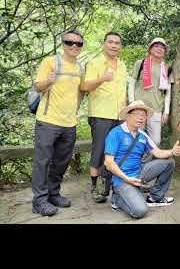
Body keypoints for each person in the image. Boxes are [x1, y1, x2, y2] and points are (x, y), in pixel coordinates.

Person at [31, 29, 85, 216]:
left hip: (70, 123)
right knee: (42, 162)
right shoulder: (51, 62)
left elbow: (80, 91)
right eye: (70, 42)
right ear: (63, 43)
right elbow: (38, 86)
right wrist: (48, 81)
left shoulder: (80, 67)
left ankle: (53, 194)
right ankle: (39, 200)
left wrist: (76, 110)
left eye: (78, 43)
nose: (74, 46)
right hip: (48, 121)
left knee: (61, 162)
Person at [105, 100, 180, 219]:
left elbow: (157, 152)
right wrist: (127, 179)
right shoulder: (116, 133)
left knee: (169, 162)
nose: (140, 118)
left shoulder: (143, 135)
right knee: (140, 211)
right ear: (128, 115)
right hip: (122, 179)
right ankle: (117, 199)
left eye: (143, 115)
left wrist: (172, 151)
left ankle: (155, 197)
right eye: (137, 114)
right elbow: (109, 163)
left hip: (139, 173)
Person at [82, 31, 128, 204]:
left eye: (117, 43)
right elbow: (85, 86)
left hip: (119, 115)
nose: (114, 45)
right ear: (104, 44)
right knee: (99, 149)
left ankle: (108, 185)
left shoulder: (122, 65)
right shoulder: (94, 63)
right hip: (100, 114)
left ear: (121, 47)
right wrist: (102, 78)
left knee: (115, 151)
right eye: (110, 42)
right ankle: (94, 186)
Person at [128, 37, 173, 147]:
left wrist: (166, 111)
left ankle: (145, 163)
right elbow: (132, 83)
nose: (159, 49)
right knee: (135, 138)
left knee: (155, 141)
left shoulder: (167, 68)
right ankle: (136, 164)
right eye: (156, 46)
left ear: (165, 52)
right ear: (150, 49)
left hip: (156, 108)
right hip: (139, 107)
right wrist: (132, 103)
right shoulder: (141, 63)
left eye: (162, 47)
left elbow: (168, 92)